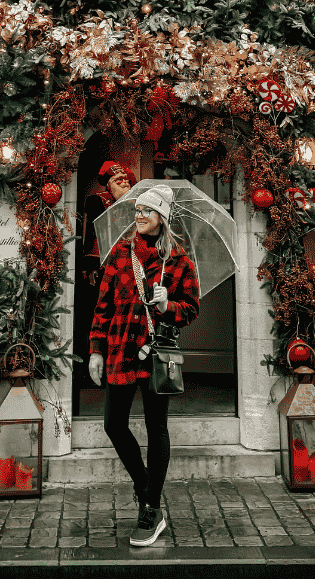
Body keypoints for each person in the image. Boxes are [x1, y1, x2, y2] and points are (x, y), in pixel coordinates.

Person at [88, 184, 200, 547]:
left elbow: (192, 308)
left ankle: (151, 509)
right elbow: (102, 307)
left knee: (157, 427)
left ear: (162, 218)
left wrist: (168, 305)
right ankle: (144, 485)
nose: (138, 215)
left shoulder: (179, 260)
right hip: (120, 349)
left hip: (156, 354)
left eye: (147, 211)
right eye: (137, 209)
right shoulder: (120, 254)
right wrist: (96, 351)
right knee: (114, 425)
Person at [80, 161, 136, 285]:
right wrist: (90, 265)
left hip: (129, 260)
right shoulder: (97, 200)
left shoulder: (134, 203)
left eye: (126, 179)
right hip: (105, 261)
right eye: (119, 180)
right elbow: (91, 233)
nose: (125, 182)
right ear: (109, 183)